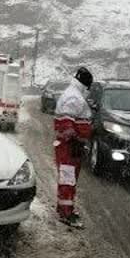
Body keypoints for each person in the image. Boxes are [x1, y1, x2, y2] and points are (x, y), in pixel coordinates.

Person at [53, 67, 93, 228]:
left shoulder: (72, 94)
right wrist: (76, 139)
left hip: (69, 146)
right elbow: (66, 124)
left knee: (67, 179)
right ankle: (66, 214)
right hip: (69, 147)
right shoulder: (74, 98)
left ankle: (63, 207)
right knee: (68, 179)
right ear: (86, 85)